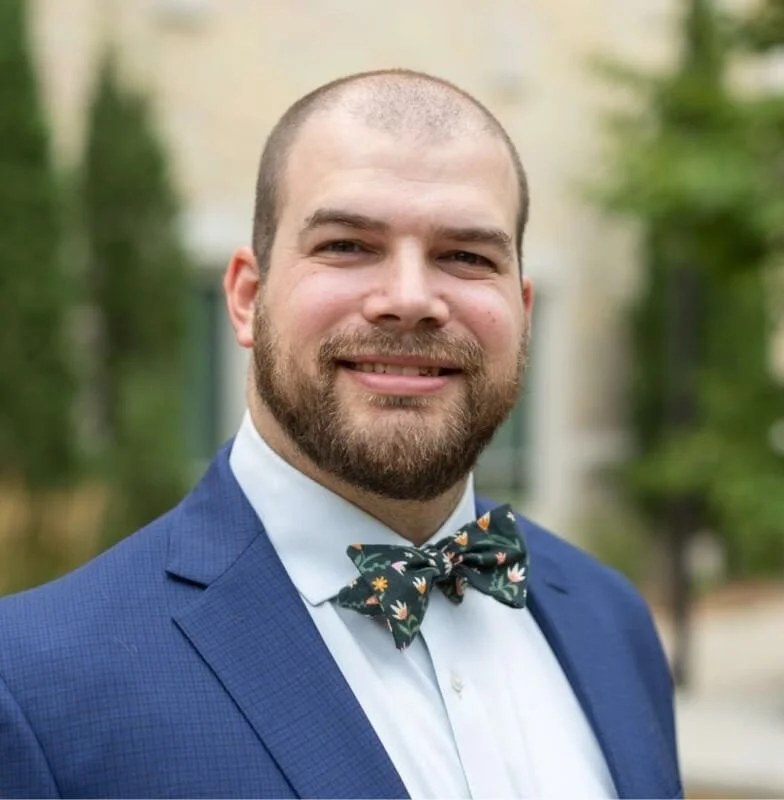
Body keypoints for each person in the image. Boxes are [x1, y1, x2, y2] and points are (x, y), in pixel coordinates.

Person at [0, 69, 682, 799]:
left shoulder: (612, 621)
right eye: (348, 245)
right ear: (246, 298)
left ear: (521, 312)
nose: (411, 300)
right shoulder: (36, 687)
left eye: (466, 256)